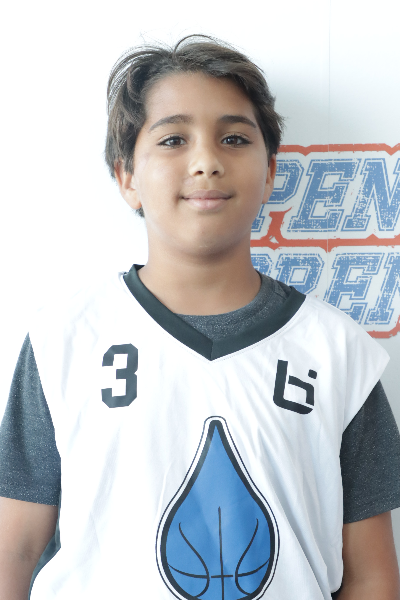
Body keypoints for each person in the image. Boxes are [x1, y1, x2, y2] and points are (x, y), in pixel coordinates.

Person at [0, 34, 400, 600]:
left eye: (234, 138)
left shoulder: (338, 352)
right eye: (173, 139)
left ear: (269, 173)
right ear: (127, 177)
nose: (207, 161)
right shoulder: (64, 341)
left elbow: (371, 575)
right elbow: (13, 551)